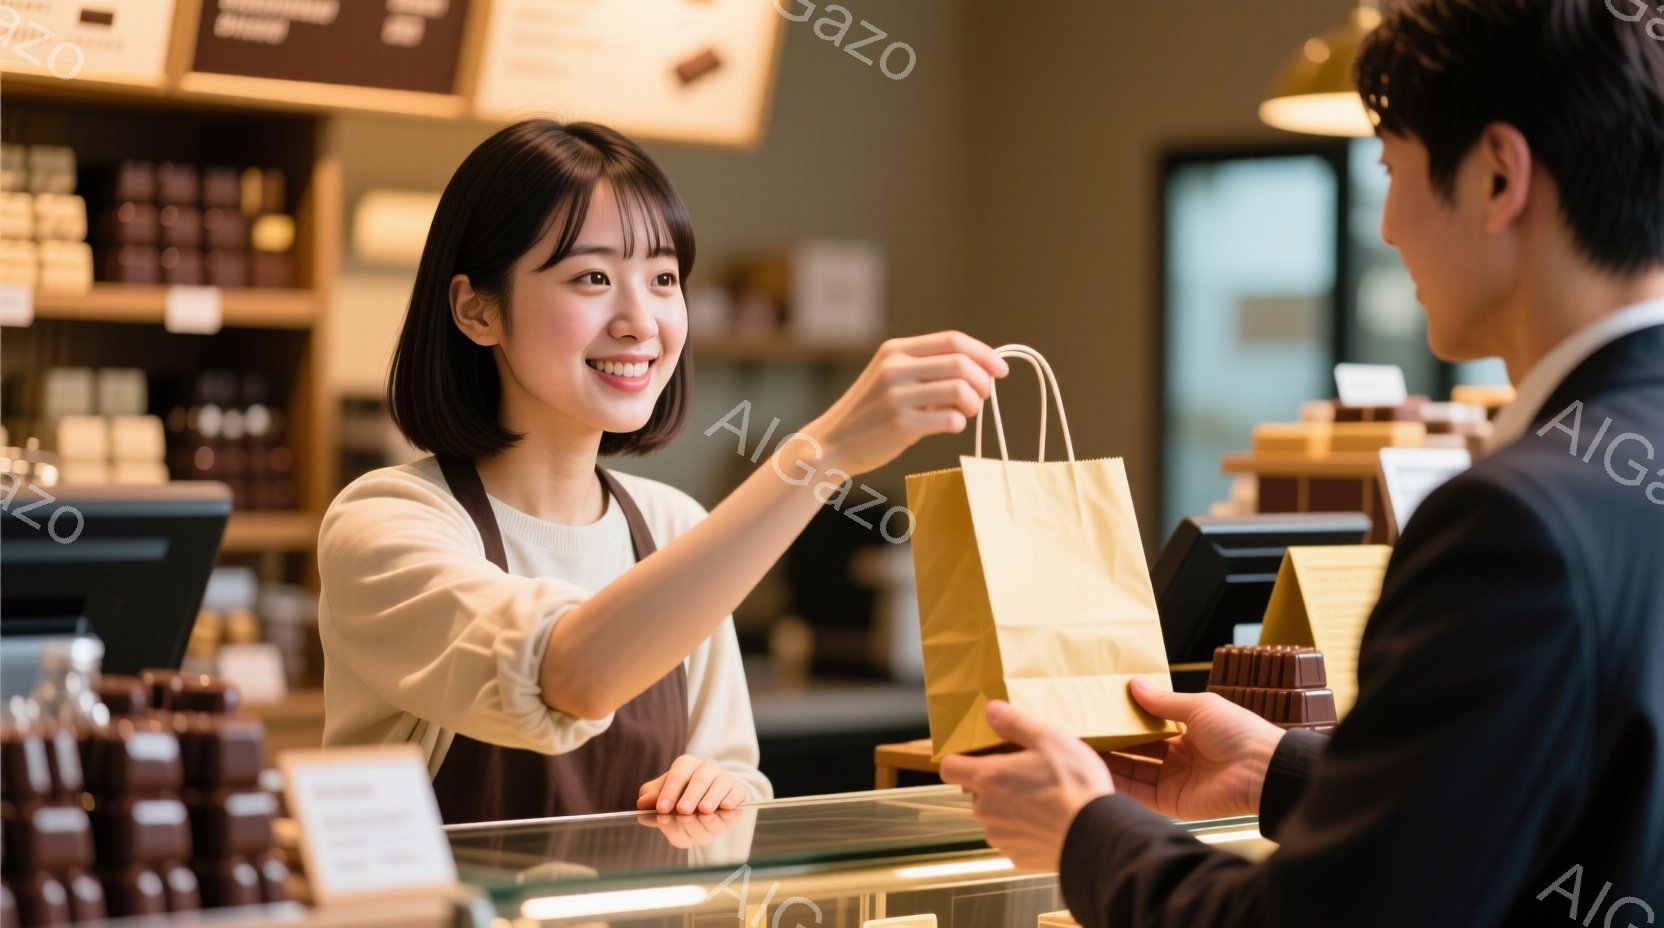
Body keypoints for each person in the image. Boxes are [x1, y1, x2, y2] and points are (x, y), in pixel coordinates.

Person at [941, 1, 1664, 925]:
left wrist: (1085, 828)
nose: (1391, 225)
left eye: (1392, 170)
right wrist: (1282, 768)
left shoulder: (1510, 521)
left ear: (1496, 175)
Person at [319, 119, 1008, 825]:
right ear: (476, 309)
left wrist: (723, 789)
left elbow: (738, 777)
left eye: (662, 278)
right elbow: (566, 676)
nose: (640, 320)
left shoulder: (673, 523)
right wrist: (820, 453)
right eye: (592, 277)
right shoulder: (387, 522)